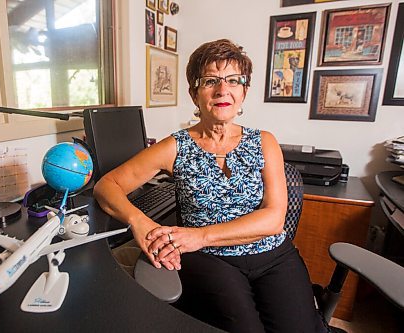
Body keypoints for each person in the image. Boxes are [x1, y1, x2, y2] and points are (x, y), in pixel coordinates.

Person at [93, 39, 326, 333]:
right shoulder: (175, 147)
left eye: (233, 80)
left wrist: (200, 236)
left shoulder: (264, 142)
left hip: (273, 256)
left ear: (244, 91)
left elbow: (274, 219)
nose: (222, 89)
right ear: (194, 93)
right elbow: (107, 185)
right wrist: (140, 222)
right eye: (210, 81)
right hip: (211, 262)